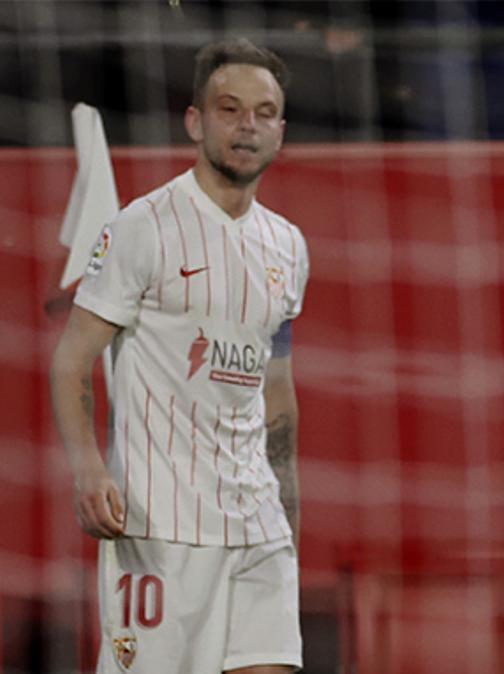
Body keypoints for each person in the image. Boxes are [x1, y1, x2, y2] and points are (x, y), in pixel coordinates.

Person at [49, 38, 308, 673]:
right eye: (229, 108)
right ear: (195, 121)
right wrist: (88, 471)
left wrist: (288, 512)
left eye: (264, 112)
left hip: (257, 526)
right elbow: (71, 362)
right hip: (158, 527)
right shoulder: (142, 228)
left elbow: (276, 388)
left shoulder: (289, 246)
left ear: (280, 130)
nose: (247, 125)